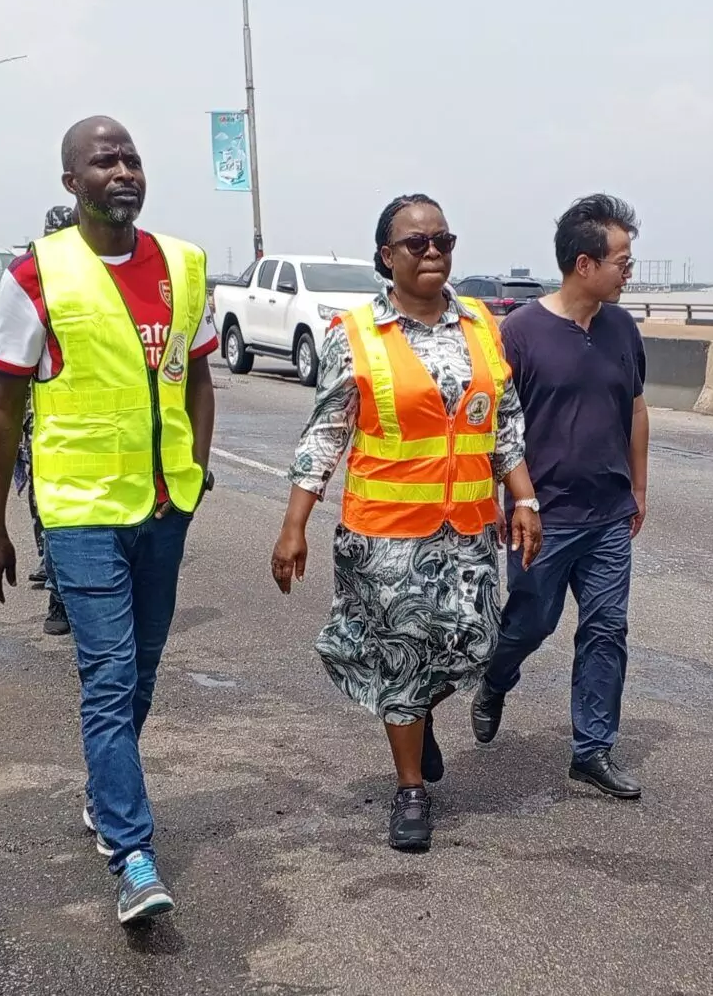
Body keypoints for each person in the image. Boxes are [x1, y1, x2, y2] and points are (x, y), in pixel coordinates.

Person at [0, 117, 218, 927]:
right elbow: (6, 408)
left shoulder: (184, 267)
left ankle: (102, 792)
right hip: (80, 512)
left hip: (164, 506)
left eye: (132, 157)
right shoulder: (35, 275)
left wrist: (197, 472)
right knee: (110, 676)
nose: (123, 170)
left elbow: (199, 378)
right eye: (102, 160)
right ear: (71, 181)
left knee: (141, 671)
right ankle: (132, 850)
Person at [271, 193, 543, 854]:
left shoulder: (480, 323)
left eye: (442, 241)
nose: (431, 253)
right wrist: (294, 524)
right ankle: (411, 786)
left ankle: (420, 718)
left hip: (468, 531)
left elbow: (502, 418)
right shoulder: (356, 333)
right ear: (385, 257)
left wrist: (525, 499)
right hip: (387, 534)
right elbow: (327, 432)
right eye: (415, 244)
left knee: (471, 642)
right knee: (399, 658)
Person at [472, 194, 650, 799]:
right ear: (584, 263)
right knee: (530, 624)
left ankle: (592, 749)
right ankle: (495, 680)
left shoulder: (622, 327)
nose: (630, 270)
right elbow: (499, 427)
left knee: (607, 628)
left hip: (607, 514)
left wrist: (639, 486)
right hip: (545, 518)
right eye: (622, 260)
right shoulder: (518, 334)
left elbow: (635, 408)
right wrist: (512, 502)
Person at [13, 204, 78, 636]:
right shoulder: (33, 280)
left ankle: (62, 597)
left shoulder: (92, 281)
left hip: (83, 430)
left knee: (64, 512)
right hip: (42, 422)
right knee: (45, 507)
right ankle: (54, 576)